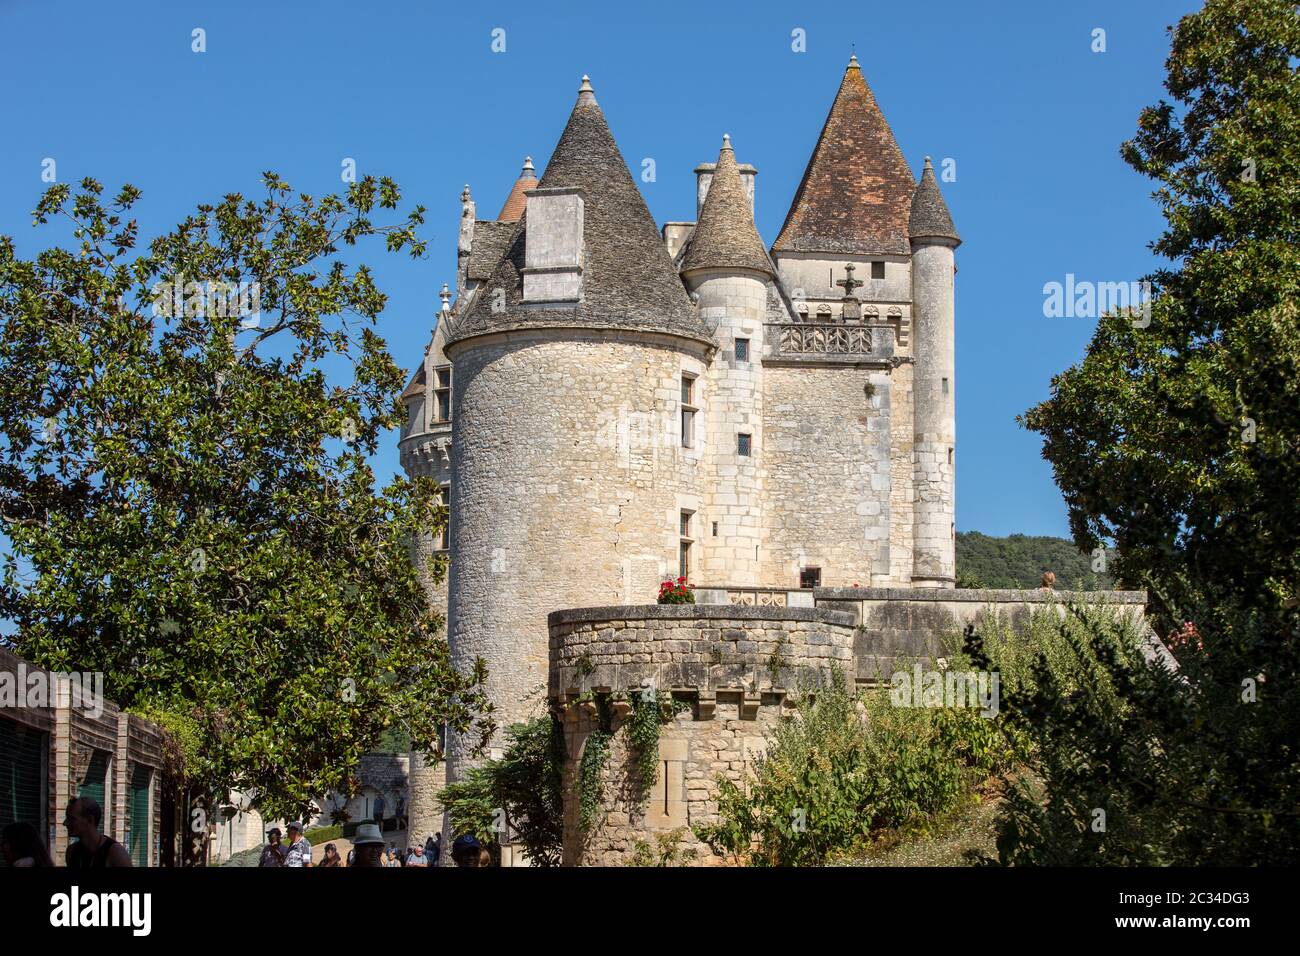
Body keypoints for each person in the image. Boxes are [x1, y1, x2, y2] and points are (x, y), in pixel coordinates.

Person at [64, 797, 131, 868]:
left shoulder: (115, 853)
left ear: (90, 820)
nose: (65, 823)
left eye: (71, 819)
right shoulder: (72, 852)